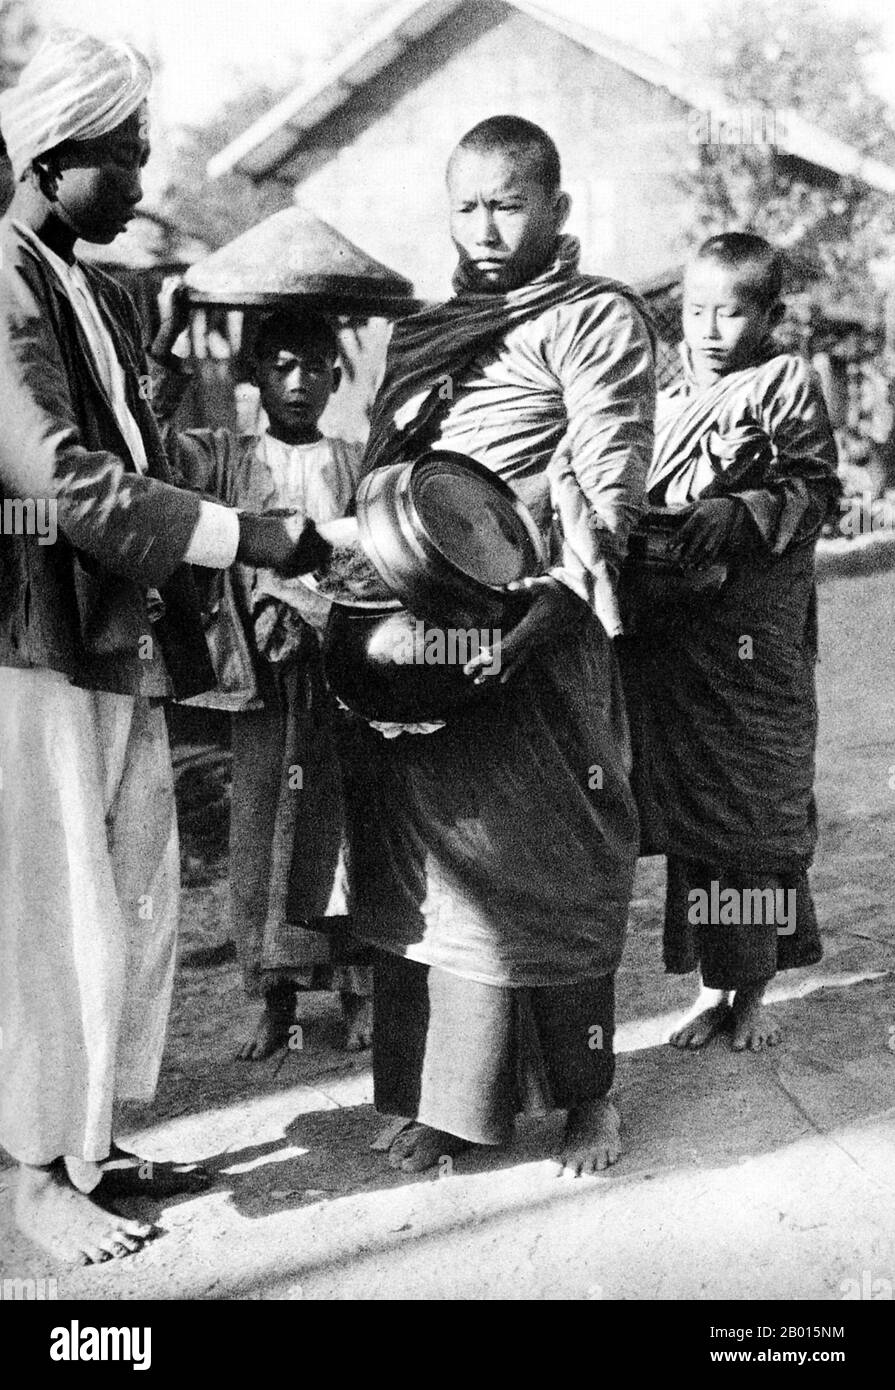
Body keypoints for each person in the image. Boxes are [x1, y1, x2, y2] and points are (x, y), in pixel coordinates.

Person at [0, 29, 330, 1265]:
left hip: (110, 634)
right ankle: (32, 1175)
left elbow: (140, 459)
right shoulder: (7, 279)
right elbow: (60, 478)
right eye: (126, 157)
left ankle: (90, 1143)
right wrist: (252, 539)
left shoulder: (84, 280)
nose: (142, 183)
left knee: (132, 890)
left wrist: (274, 518)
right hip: (35, 640)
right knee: (53, 911)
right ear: (54, 153)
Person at [340, 116, 655, 1177]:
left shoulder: (595, 321)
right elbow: (386, 484)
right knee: (432, 875)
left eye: (506, 202)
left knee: (557, 873)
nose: (483, 226)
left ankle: (588, 1098)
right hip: (424, 639)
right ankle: (448, 1101)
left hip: (541, 635)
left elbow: (607, 498)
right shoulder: (428, 334)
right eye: (465, 205)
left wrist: (531, 632)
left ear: (557, 210)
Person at [618, 232, 840, 1053]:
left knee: (751, 819)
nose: (709, 328)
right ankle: (718, 985)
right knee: (697, 825)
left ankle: (753, 992)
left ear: (769, 317)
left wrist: (734, 512)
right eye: (696, 310)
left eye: (732, 311)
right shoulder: (661, 399)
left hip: (752, 647)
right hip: (678, 646)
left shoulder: (782, 384)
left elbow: (813, 491)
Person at [154, 303, 373, 1061]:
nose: (298, 382)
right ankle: (274, 1001)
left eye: (314, 366)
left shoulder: (354, 460)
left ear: (335, 375)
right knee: (263, 839)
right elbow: (145, 459)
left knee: (344, 830)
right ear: (253, 375)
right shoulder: (221, 455)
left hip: (342, 672)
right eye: (280, 365)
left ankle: (358, 988)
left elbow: (378, 545)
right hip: (261, 675)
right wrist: (165, 348)